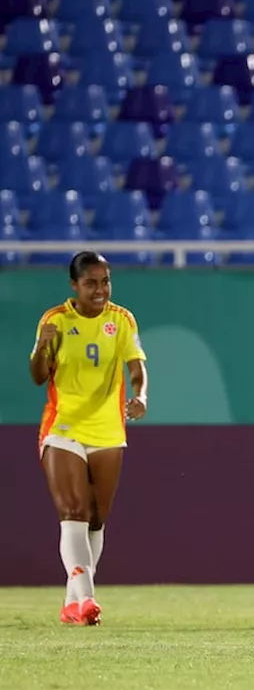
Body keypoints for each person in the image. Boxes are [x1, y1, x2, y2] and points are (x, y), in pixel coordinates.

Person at [30, 251, 149, 626]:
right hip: (63, 427)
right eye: (91, 283)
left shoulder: (122, 319)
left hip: (108, 430)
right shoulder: (55, 320)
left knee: (96, 520)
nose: (100, 290)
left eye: (105, 281)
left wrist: (141, 396)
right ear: (74, 286)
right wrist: (40, 347)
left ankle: (72, 604)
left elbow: (137, 368)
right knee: (74, 513)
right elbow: (37, 376)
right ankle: (87, 600)